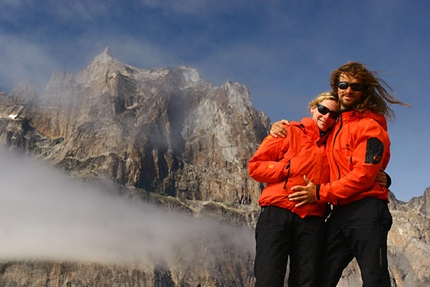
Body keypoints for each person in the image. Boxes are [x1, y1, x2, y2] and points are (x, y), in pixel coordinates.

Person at [270, 61, 409, 287]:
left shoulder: (370, 126)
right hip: (339, 211)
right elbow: (310, 146)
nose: (348, 90)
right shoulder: (334, 126)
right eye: (343, 84)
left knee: (374, 278)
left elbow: (364, 175)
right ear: (336, 86)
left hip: (367, 209)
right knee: (319, 277)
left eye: (356, 86)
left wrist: (318, 193)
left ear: (365, 91)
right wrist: (280, 128)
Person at [248, 92, 339, 287]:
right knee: (268, 277)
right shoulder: (288, 131)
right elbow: (255, 167)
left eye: (334, 115)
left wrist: (384, 178)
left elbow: (349, 173)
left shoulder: (335, 145)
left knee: (306, 281)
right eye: (323, 110)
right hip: (277, 213)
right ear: (313, 108)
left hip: (312, 219)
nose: (327, 117)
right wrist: (287, 169)